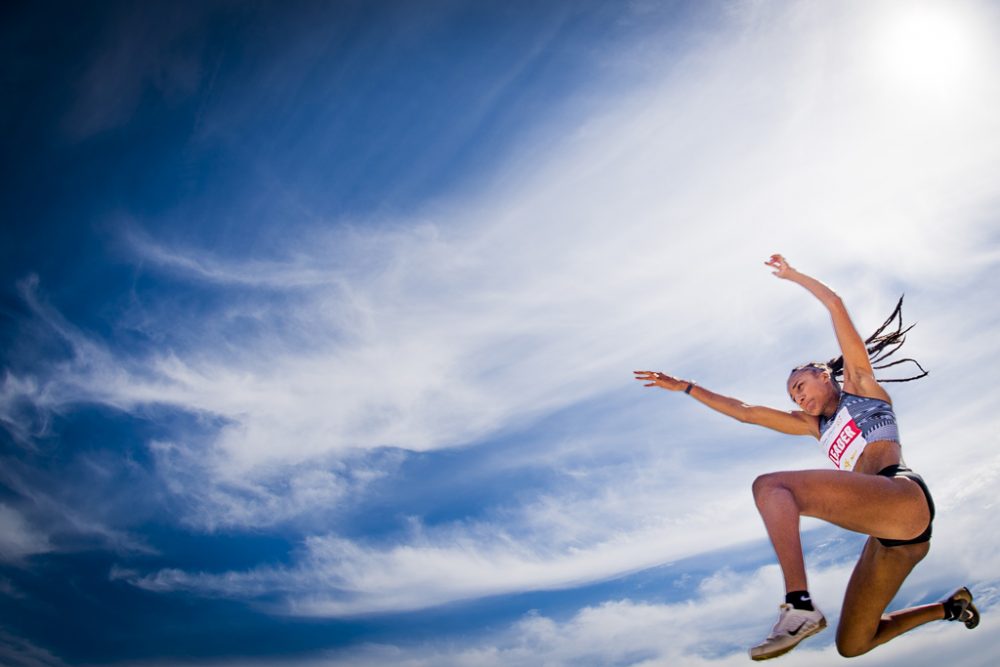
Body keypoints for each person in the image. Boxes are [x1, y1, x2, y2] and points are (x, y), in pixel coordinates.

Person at [634, 254, 979, 661]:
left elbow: (835, 305)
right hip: (892, 537)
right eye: (793, 395)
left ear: (824, 374)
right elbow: (747, 412)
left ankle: (798, 605)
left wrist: (794, 275)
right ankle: (949, 607)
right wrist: (688, 387)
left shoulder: (861, 387)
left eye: (800, 385)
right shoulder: (816, 426)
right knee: (853, 644)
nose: (798, 397)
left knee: (772, 485)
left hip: (901, 496)